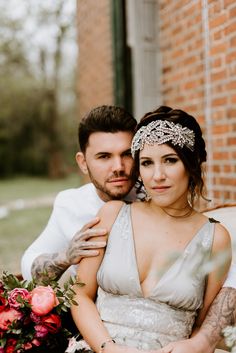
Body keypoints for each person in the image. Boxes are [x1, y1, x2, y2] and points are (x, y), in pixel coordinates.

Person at [21, 104, 236, 352]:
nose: (157, 176)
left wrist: (199, 343)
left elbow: (207, 315)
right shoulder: (105, 212)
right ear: (83, 162)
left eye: (170, 160)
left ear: (192, 164)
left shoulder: (214, 236)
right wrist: (107, 348)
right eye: (146, 163)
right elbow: (73, 291)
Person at [21, 105, 137, 282]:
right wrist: (66, 256)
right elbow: (29, 267)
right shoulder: (71, 204)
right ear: (83, 163)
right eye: (104, 157)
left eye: (127, 154)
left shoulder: (155, 196)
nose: (118, 167)